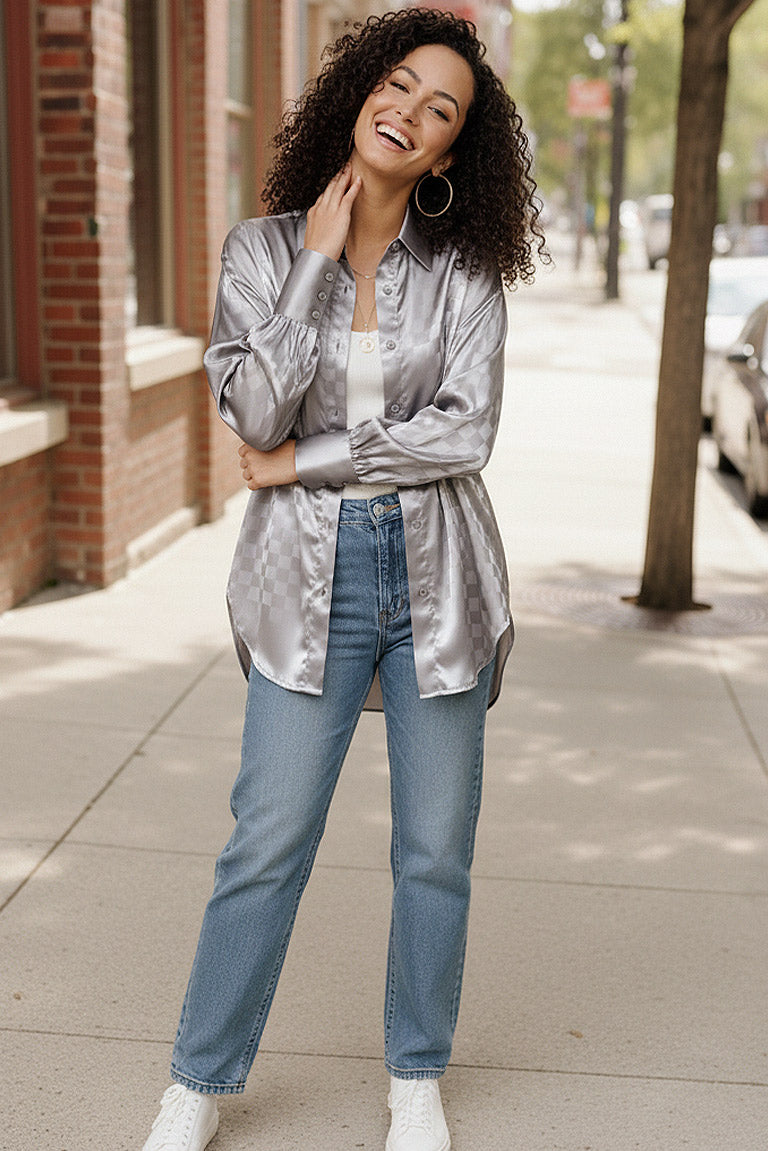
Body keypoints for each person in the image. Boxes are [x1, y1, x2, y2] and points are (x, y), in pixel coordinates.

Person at [141, 9, 543, 1150]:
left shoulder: (466, 273)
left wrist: (304, 461)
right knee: (266, 837)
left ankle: (416, 1075)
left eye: (440, 109)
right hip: (303, 582)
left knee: (434, 849)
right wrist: (315, 262)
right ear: (362, 89)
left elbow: (463, 433)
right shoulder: (259, 251)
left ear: (450, 153)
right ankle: (198, 1080)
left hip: (442, 583)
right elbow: (251, 410)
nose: (408, 112)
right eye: (399, 84)